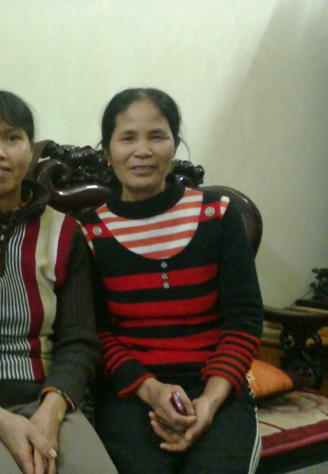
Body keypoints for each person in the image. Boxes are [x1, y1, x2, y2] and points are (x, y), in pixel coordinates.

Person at [78, 88, 263, 473]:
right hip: (132, 392)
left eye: (156, 136)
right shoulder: (90, 233)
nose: (142, 151)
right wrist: (151, 389)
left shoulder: (217, 216)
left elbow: (244, 321)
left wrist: (209, 401)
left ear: (175, 144)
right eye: (128, 138)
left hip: (217, 387)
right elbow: (98, 334)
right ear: (107, 150)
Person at [0, 90, 116, 474]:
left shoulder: (65, 231)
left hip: (48, 399)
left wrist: (50, 414)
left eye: (12, 138)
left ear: (31, 150)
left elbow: (80, 341)